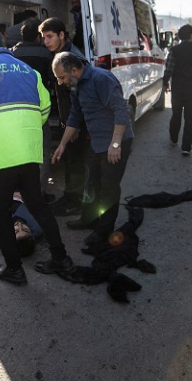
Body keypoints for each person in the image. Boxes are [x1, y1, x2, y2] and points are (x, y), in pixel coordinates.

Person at [0, 29, 75, 285]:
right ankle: (61, 258)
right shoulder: (28, 70)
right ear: (4, 46)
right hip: (28, 152)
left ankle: (14, 269)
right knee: (38, 206)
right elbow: (45, 108)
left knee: (0, 213)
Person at [51, 50, 134, 240]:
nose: (60, 82)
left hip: (115, 142)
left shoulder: (101, 79)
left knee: (109, 188)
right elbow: (75, 114)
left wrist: (115, 144)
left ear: (74, 70)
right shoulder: (75, 84)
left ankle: (104, 231)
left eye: (61, 77)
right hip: (97, 142)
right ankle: (88, 219)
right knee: (90, 183)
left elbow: (122, 111)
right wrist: (62, 144)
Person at [39, 16, 89, 216]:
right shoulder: (60, 55)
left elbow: (79, 96)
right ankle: (70, 198)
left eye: (50, 36)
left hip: (75, 122)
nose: (46, 42)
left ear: (61, 35)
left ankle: (75, 203)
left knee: (75, 161)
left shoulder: (72, 59)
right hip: (69, 119)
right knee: (70, 159)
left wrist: (74, 125)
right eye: (44, 37)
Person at [12, 16, 56, 194]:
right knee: (42, 152)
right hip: (38, 111)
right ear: (38, 37)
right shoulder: (46, 54)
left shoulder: (11, 54)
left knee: (18, 151)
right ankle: (39, 193)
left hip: (14, 111)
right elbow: (54, 80)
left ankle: (18, 192)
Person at [163, 24, 192, 155]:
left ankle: (174, 138)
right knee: (190, 117)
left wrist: (165, 82)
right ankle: (186, 147)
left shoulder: (174, 50)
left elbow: (169, 68)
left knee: (176, 114)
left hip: (177, 88)